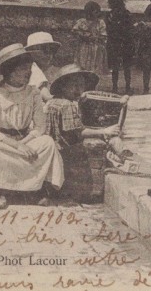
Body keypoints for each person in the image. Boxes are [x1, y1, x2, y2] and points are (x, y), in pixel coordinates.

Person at [0, 44, 64, 209]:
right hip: (1, 143)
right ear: (9, 72)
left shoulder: (33, 93)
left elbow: (40, 126)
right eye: (22, 68)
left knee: (47, 143)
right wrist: (16, 145)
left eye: (29, 67)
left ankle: (33, 189)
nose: (28, 72)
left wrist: (24, 143)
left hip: (25, 139)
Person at [45, 64, 121, 201]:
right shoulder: (67, 105)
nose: (78, 90)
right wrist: (105, 131)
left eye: (81, 86)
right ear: (63, 87)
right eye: (73, 86)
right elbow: (79, 132)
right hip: (66, 150)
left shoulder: (53, 102)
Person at [105, 0, 134, 94]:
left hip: (119, 42)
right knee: (122, 66)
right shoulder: (123, 14)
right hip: (120, 42)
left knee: (118, 66)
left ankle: (118, 87)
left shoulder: (113, 15)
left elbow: (128, 29)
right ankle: (123, 87)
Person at [72, 1, 108, 75]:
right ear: (88, 12)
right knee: (82, 65)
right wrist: (82, 35)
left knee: (94, 65)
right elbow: (75, 31)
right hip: (84, 47)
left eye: (98, 12)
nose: (97, 14)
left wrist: (97, 37)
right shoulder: (82, 22)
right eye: (95, 12)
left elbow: (103, 35)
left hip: (95, 47)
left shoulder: (100, 22)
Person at [25, 31, 61, 104]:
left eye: (52, 51)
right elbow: (47, 96)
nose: (49, 55)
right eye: (45, 51)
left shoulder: (49, 71)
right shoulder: (32, 69)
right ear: (32, 53)